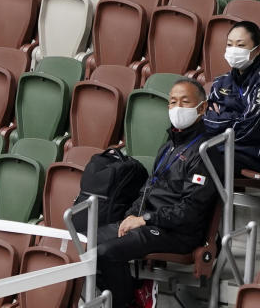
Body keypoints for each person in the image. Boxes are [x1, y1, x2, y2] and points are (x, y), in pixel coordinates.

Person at [95, 78, 222, 308]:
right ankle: (131, 291)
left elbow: (190, 211)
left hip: (179, 232)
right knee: (86, 243)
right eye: (173, 102)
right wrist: (131, 216)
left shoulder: (205, 151)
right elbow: (148, 189)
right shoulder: (168, 146)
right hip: (150, 222)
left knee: (106, 252)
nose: (177, 108)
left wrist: (144, 219)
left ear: (202, 108)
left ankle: (127, 302)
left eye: (185, 102)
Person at [203, 20, 260, 173]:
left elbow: (249, 130)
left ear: (258, 49)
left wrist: (218, 119)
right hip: (222, 144)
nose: (234, 50)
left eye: (240, 45)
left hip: (252, 152)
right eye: (229, 44)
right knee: (183, 149)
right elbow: (204, 116)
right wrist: (234, 118)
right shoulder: (221, 81)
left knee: (204, 157)